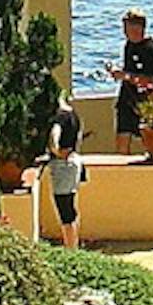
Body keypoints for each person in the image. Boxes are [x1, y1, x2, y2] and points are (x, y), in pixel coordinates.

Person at [104, 9, 153, 155]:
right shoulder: (128, 46)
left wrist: (125, 76)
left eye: (130, 27)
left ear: (140, 28)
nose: (126, 32)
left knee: (151, 144)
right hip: (128, 99)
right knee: (122, 139)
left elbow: (151, 81)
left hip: (147, 102)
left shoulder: (152, 49)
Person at [45, 98, 87, 248]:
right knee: (71, 206)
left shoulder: (59, 118)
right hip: (75, 162)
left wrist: (55, 151)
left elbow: (54, 137)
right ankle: (74, 243)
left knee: (64, 209)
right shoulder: (75, 116)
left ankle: (70, 247)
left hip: (62, 165)